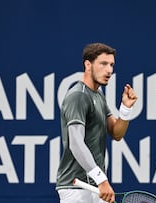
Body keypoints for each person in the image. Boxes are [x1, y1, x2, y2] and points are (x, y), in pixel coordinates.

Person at [56, 43, 138, 203]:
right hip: (76, 188)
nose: (109, 70)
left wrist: (125, 110)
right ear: (88, 65)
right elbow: (76, 143)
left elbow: (116, 133)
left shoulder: (98, 95)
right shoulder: (78, 96)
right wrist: (102, 179)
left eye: (112, 65)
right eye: (103, 64)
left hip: (95, 186)